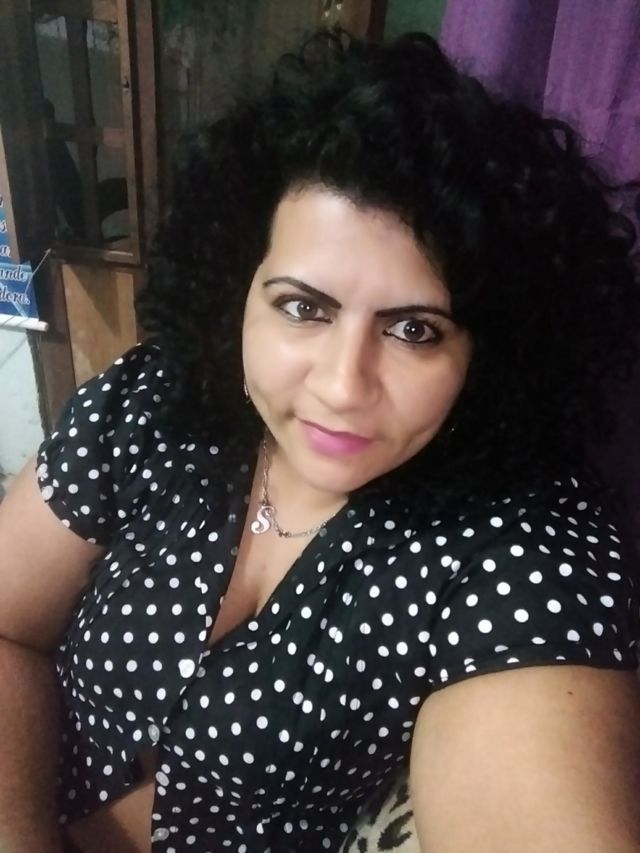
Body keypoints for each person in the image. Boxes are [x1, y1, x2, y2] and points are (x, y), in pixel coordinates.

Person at [1, 28, 640, 853]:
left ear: (488, 353)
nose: (342, 385)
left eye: (414, 329)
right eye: (303, 307)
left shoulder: (517, 546)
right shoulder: (151, 405)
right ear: (237, 292)